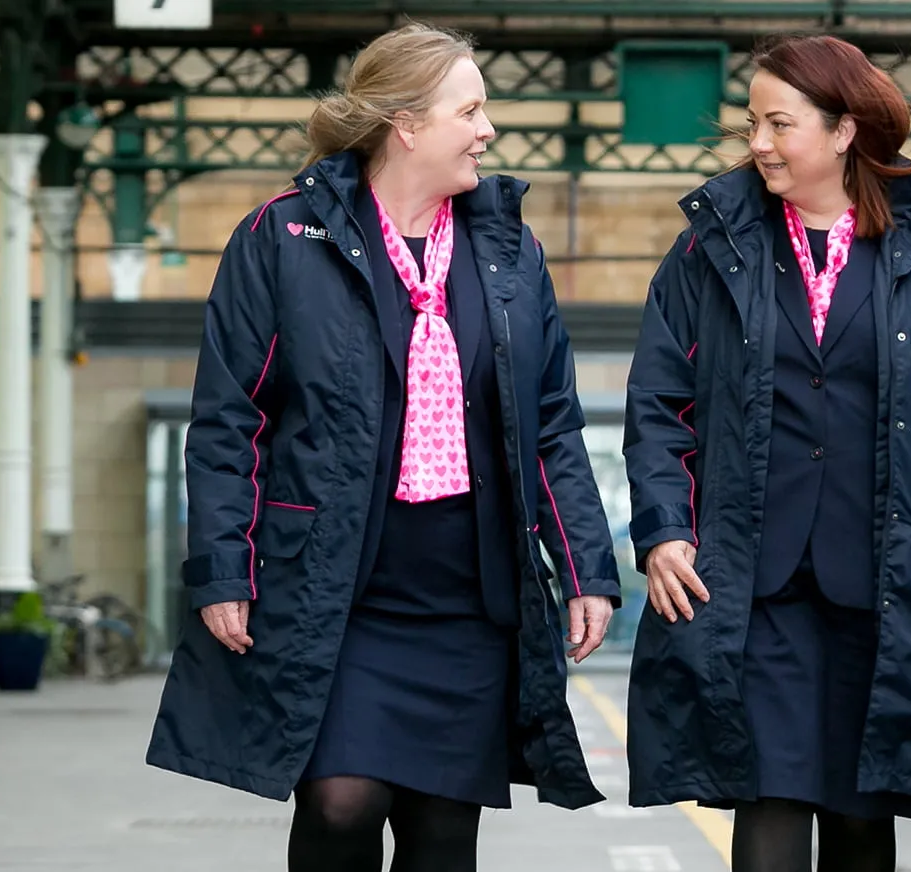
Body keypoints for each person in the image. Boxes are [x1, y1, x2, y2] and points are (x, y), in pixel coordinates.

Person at [145, 22, 621, 872]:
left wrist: (585, 568)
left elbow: (550, 421)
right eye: (470, 111)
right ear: (406, 124)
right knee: (339, 803)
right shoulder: (282, 238)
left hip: (467, 599)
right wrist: (223, 567)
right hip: (336, 590)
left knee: (442, 832)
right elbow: (231, 420)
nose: (488, 131)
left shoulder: (508, 250)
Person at [617, 33, 911, 872]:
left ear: (844, 132)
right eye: (752, 124)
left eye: (779, 124)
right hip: (751, 584)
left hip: (885, 583)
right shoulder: (712, 247)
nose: (759, 144)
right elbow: (660, 404)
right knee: (767, 808)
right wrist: (665, 530)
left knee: (859, 818)